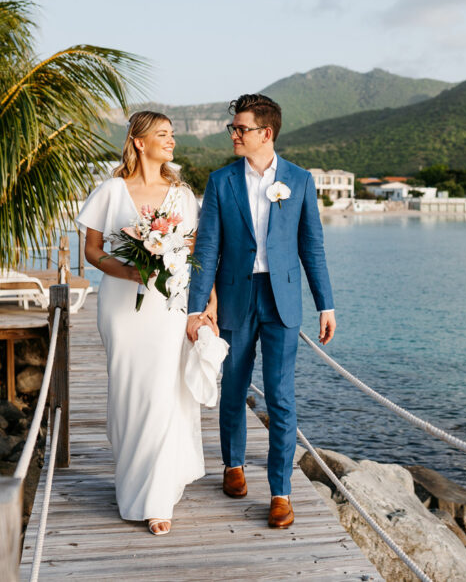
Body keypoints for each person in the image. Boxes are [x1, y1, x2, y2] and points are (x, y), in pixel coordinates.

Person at [186, 93, 336, 529]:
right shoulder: (220, 181)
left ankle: (281, 492)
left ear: (265, 133)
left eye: (241, 128)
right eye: (233, 128)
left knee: (280, 395)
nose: (234, 134)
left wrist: (326, 303)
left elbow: (313, 247)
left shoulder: (300, 180)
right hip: (235, 295)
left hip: (283, 298)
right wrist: (197, 310)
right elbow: (208, 248)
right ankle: (233, 464)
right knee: (233, 386)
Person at [77, 110, 212, 535]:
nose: (171, 141)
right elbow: (93, 252)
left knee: (161, 393)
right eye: (162, 134)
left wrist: (205, 308)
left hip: (167, 308)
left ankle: (156, 499)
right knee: (127, 393)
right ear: (138, 141)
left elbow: (195, 256)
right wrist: (130, 271)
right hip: (121, 306)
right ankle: (131, 480)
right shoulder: (112, 190)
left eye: (173, 134)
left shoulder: (183, 195)